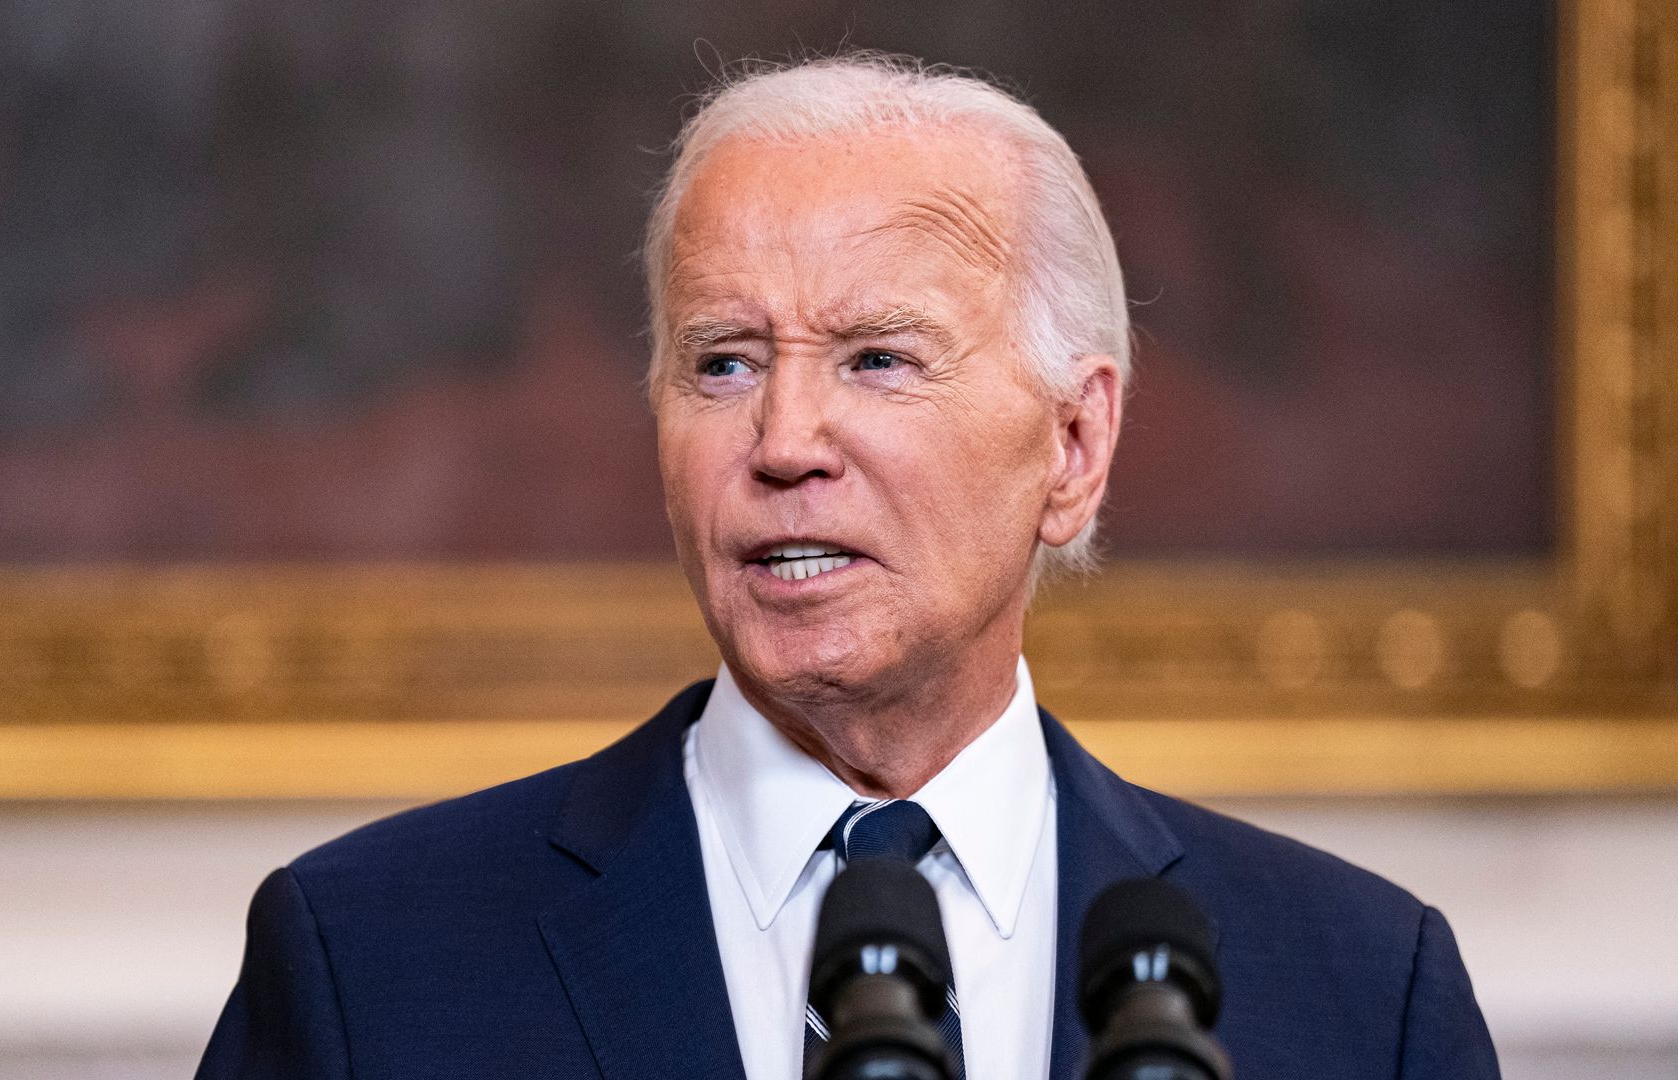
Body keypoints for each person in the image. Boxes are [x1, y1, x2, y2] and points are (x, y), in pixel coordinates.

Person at [196, 54, 1500, 1080]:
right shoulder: (370, 965)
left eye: (878, 357)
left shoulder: (1356, 993)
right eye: (723, 361)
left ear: (1075, 443)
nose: (782, 441)